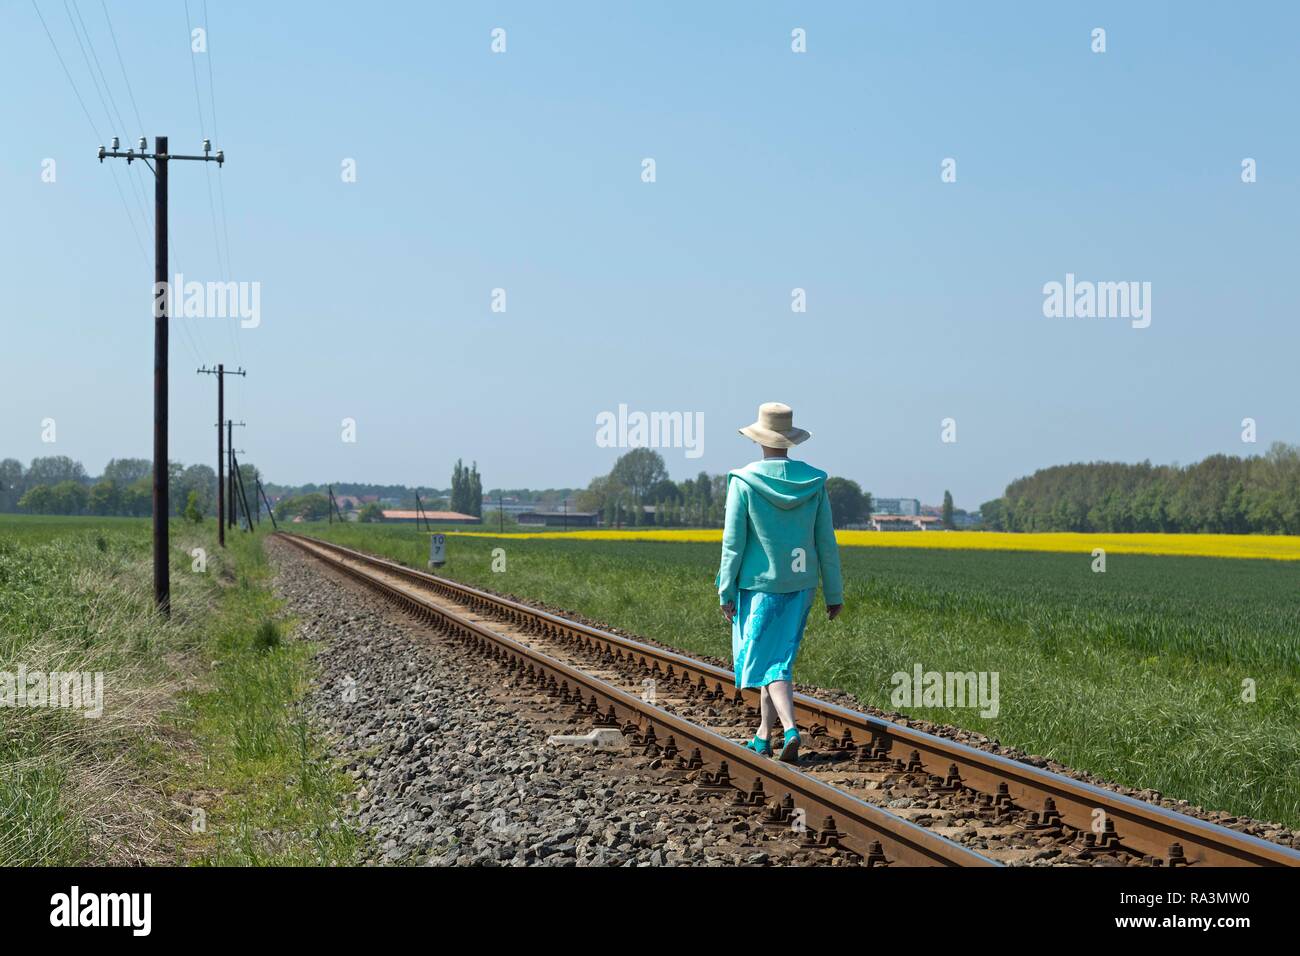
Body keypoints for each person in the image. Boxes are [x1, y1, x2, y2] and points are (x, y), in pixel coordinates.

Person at [715, 402, 844, 762]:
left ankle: (789, 728)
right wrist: (834, 592)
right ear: (790, 440)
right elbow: (826, 542)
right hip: (801, 585)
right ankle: (762, 735)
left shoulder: (743, 482)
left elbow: (733, 543)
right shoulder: (814, 483)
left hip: (758, 587)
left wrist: (726, 590)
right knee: (777, 656)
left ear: (759, 439)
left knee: (772, 664)